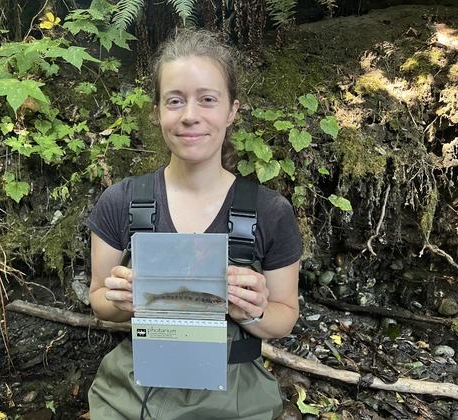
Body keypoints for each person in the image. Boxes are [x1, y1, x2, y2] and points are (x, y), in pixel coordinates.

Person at [85, 27, 302, 420]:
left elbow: (284, 317)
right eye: (174, 101)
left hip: (236, 397)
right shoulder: (121, 202)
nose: (189, 116)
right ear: (157, 112)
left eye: (207, 100)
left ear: (231, 110)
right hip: (133, 395)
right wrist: (119, 302)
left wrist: (252, 311)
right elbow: (99, 302)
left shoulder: (271, 212)